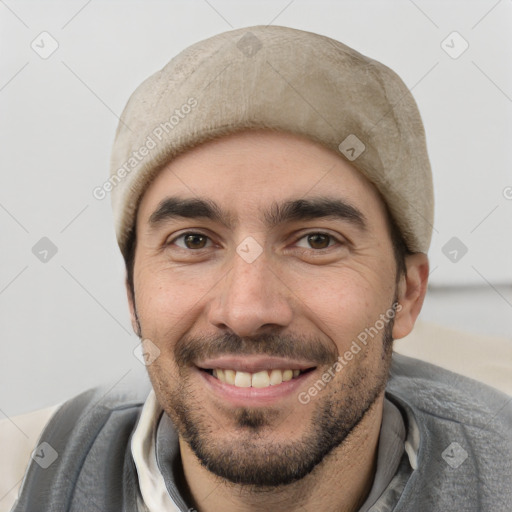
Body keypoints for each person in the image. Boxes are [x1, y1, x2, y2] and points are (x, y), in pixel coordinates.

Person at [4, 25, 512, 512]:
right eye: (194, 241)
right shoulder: (18, 478)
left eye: (317, 241)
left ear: (407, 295)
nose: (247, 310)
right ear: (133, 296)